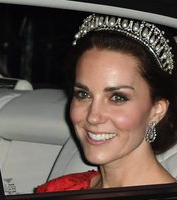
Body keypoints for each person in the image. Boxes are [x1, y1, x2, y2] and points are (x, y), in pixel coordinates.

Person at [36, 14, 177, 193]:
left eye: (117, 98)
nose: (93, 117)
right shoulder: (59, 190)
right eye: (83, 94)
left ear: (156, 110)